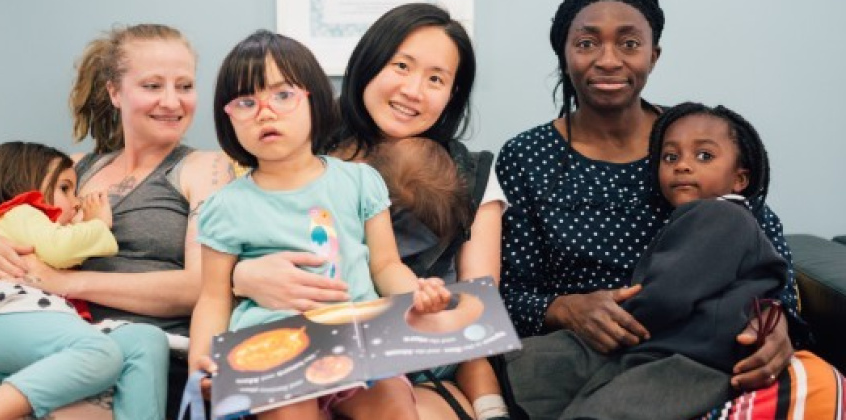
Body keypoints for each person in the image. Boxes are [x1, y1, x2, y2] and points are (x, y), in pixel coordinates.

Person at [497, 0, 841, 417]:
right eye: (587, 43)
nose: (608, 60)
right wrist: (565, 309)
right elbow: (509, 294)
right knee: (504, 377)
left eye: (629, 42)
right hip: (584, 349)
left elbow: (761, 239)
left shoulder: (692, 138)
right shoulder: (525, 156)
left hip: (699, 351)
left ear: (652, 55)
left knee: (821, 383)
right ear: (564, 54)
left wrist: (777, 323)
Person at [0, 24, 233, 419]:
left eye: (185, 86)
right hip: (39, 346)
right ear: (114, 92)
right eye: (153, 86)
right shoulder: (73, 168)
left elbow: (201, 286)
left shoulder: (205, 169)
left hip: (136, 362)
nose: (172, 102)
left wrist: (66, 281)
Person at [231, 4, 510, 420]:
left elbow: (477, 306)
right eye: (401, 66)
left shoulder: (470, 173)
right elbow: (229, 245)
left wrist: (423, 306)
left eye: (436, 79)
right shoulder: (295, 149)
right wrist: (244, 275)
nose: (413, 90)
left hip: (417, 358)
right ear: (369, 62)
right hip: (304, 341)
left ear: (453, 94)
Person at [188, 29, 451, 420]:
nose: (265, 111)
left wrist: (418, 293)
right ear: (228, 118)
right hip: (275, 349)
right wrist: (201, 362)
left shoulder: (359, 182)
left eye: (283, 95)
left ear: (316, 101)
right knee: (288, 408)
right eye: (246, 101)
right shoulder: (224, 206)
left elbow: (385, 266)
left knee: (395, 404)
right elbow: (212, 297)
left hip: (359, 342)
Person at [510, 102, 787, 419]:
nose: (683, 165)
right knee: (542, 366)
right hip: (667, 347)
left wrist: (621, 317)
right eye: (671, 157)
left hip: (691, 359)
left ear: (740, 180)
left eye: (704, 156)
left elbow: (671, 293)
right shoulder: (706, 217)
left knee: (604, 409)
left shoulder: (718, 215)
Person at [0, 141, 168, 420]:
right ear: (24, 185)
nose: (75, 202)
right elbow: (59, 249)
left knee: (147, 339)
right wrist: (98, 224)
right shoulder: (20, 212)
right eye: (65, 189)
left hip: (36, 339)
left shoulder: (38, 225)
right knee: (99, 352)